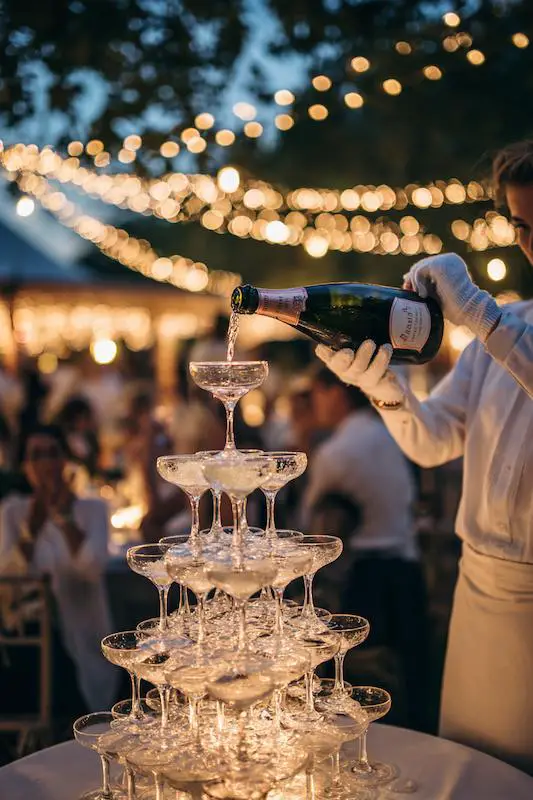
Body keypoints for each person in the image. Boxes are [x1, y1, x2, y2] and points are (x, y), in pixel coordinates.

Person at [316, 139, 533, 773]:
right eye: (522, 227)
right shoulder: (508, 326)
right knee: (473, 770)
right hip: (476, 592)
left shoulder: (500, 328)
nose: (532, 245)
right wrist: (382, 386)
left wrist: (479, 315)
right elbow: (434, 441)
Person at [302, 366, 428, 729]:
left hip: (364, 583)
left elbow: (310, 528)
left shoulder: (336, 452)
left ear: (336, 393)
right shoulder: (389, 436)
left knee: (364, 701)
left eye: (317, 393)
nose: (314, 403)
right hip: (407, 571)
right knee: (410, 693)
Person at [0, 425, 118, 713]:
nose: (45, 464)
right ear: (26, 466)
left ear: (64, 461)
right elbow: (7, 585)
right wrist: (31, 530)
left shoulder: (93, 510)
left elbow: (92, 568)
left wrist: (65, 521)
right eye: (36, 456)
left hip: (85, 633)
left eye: (52, 453)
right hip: (32, 643)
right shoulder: (12, 512)